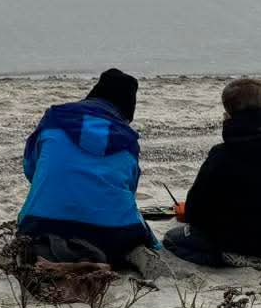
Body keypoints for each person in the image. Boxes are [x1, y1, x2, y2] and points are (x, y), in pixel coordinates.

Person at [163, 78, 261, 268]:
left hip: (232, 240)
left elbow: (198, 208)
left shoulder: (221, 154)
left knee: (171, 239)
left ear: (227, 116)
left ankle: (230, 258)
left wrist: (187, 213)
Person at [18, 68, 160, 272]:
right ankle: (123, 255)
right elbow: (129, 188)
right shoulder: (128, 140)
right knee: (136, 236)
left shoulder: (53, 119)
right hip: (113, 232)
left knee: (30, 237)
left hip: (41, 224)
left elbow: (30, 168)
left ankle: (64, 256)